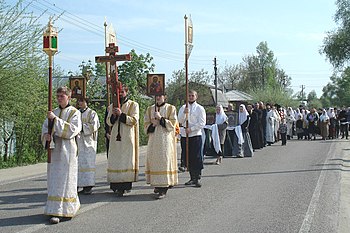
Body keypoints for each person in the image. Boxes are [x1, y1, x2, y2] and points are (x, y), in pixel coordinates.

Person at [41, 86, 81, 224]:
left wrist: (56, 120)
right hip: (55, 150)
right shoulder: (53, 112)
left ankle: (66, 210)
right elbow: (45, 127)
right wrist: (45, 135)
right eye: (57, 96)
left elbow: (72, 130)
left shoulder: (75, 113)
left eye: (62, 96)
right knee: (54, 179)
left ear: (68, 97)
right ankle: (53, 208)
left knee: (66, 179)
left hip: (67, 151)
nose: (59, 98)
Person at [106, 83, 139, 197]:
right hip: (115, 137)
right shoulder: (111, 106)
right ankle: (115, 186)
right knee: (115, 159)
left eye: (122, 92)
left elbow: (134, 120)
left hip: (127, 137)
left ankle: (125, 186)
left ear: (126, 92)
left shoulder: (133, 105)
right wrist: (114, 116)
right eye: (118, 93)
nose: (120, 95)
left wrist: (121, 115)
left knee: (126, 160)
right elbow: (108, 122)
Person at [144, 94, 178, 199]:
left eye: (160, 95)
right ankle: (157, 185)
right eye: (156, 96)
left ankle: (164, 188)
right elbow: (145, 125)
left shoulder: (171, 108)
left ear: (165, 97)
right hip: (154, 139)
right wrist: (152, 125)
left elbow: (173, 125)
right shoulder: (150, 109)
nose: (158, 97)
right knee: (154, 161)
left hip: (165, 140)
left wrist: (161, 118)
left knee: (164, 161)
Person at [178, 90, 206, 187]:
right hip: (185, 135)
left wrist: (192, 129)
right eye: (189, 96)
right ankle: (191, 177)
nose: (190, 97)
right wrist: (184, 114)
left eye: (192, 95)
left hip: (195, 135)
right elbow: (179, 121)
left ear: (196, 96)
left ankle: (197, 177)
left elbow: (202, 123)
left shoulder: (200, 108)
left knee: (196, 157)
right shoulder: (183, 108)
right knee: (188, 157)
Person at [76, 97, 100, 195]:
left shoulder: (92, 113)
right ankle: (76, 185)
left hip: (88, 142)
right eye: (79, 101)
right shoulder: (76, 112)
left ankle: (88, 186)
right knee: (77, 163)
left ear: (86, 102)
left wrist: (81, 127)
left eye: (82, 101)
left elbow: (94, 125)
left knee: (87, 163)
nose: (80, 103)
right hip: (77, 141)